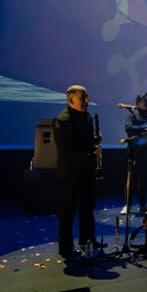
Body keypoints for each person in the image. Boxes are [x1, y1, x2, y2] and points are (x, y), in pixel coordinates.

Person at [52, 85, 102, 259]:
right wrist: (90, 148)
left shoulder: (87, 117)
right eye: (83, 98)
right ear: (70, 100)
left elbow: (86, 142)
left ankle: (87, 240)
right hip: (70, 173)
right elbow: (67, 149)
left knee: (87, 208)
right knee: (68, 210)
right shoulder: (61, 120)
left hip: (86, 170)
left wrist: (95, 141)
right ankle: (65, 247)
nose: (86, 101)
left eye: (86, 97)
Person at [122, 92, 147, 215]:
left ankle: (143, 204)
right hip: (134, 151)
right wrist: (144, 127)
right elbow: (128, 128)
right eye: (145, 101)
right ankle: (127, 205)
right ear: (138, 101)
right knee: (131, 179)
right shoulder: (132, 114)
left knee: (144, 179)